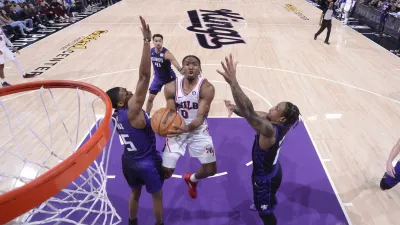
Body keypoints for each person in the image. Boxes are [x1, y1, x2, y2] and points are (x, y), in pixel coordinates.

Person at [218, 54, 301, 225]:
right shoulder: (275, 122)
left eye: (277, 108)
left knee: (266, 214)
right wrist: (235, 108)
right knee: (261, 194)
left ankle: (264, 207)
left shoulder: (269, 130)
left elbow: (249, 112)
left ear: (282, 119)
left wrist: (233, 83)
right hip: (271, 170)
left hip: (266, 180)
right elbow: (253, 113)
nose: (272, 107)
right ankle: (262, 202)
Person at [105, 16, 164, 225]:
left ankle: (132, 222)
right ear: (121, 103)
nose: (128, 91)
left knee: (135, 194)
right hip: (146, 162)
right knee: (157, 196)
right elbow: (144, 77)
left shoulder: (117, 115)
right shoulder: (131, 109)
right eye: (124, 93)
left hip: (128, 161)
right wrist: (147, 42)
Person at [162, 55, 217, 199]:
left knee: (211, 170)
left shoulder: (207, 88)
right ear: (182, 68)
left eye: (194, 64)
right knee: (166, 171)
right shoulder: (170, 87)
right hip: (178, 129)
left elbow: (200, 117)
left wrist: (187, 128)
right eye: (187, 64)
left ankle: (192, 179)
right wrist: (166, 124)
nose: (191, 67)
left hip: (197, 130)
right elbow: (171, 113)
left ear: (200, 68)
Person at [145, 34, 183, 116]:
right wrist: (154, 71)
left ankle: (174, 115)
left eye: (160, 41)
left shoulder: (167, 53)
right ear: (153, 42)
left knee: (171, 99)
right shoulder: (151, 51)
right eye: (156, 41)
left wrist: (187, 76)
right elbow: (152, 63)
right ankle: (147, 115)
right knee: (150, 98)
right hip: (158, 78)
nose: (158, 43)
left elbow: (178, 67)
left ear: (162, 42)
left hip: (170, 79)